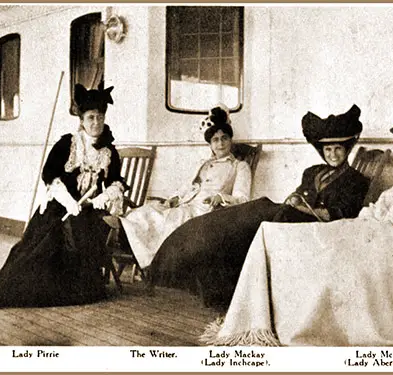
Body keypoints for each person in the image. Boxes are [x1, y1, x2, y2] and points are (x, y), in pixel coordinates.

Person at [200, 104, 393, 346]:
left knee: (335, 244)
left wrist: (390, 216)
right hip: (388, 227)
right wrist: (371, 216)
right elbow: (384, 202)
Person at [149, 104, 370, 308]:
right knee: (238, 220)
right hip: (290, 216)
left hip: (315, 227)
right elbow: (297, 194)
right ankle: (209, 282)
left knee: (255, 216)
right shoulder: (313, 171)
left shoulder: (356, 180)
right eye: (328, 150)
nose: (332, 154)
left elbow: (342, 215)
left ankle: (224, 292)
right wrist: (294, 199)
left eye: (338, 149)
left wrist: (300, 206)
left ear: (347, 149)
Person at [0, 82, 126, 308]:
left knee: (83, 229)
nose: (96, 122)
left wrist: (101, 197)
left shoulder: (110, 152)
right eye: (91, 117)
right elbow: (51, 176)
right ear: (81, 120)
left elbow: (115, 182)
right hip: (61, 207)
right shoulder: (68, 144)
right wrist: (68, 201)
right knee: (43, 246)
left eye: (100, 117)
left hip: (88, 209)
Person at [108, 104, 252, 270]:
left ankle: (150, 262)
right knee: (146, 211)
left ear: (230, 140)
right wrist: (174, 198)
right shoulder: (203, 164)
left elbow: (243, 199)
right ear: (210, 145)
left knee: (164, 219)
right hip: (185, 204)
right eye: (215, 140)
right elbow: (186, 187)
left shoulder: (239, 166)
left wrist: (220, 198)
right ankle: (129, 246)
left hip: (205, 212)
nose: (220, 144)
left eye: (224, 138)